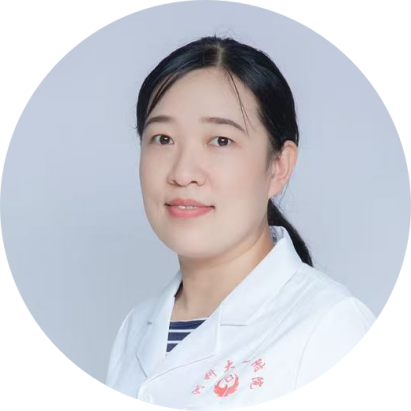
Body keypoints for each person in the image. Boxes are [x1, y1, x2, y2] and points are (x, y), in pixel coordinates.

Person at [105, 34, 377, 409]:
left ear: (278, 166)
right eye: (163, 138)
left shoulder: (330, 326)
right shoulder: (136, 327)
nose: (183, 173)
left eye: (220, 140)